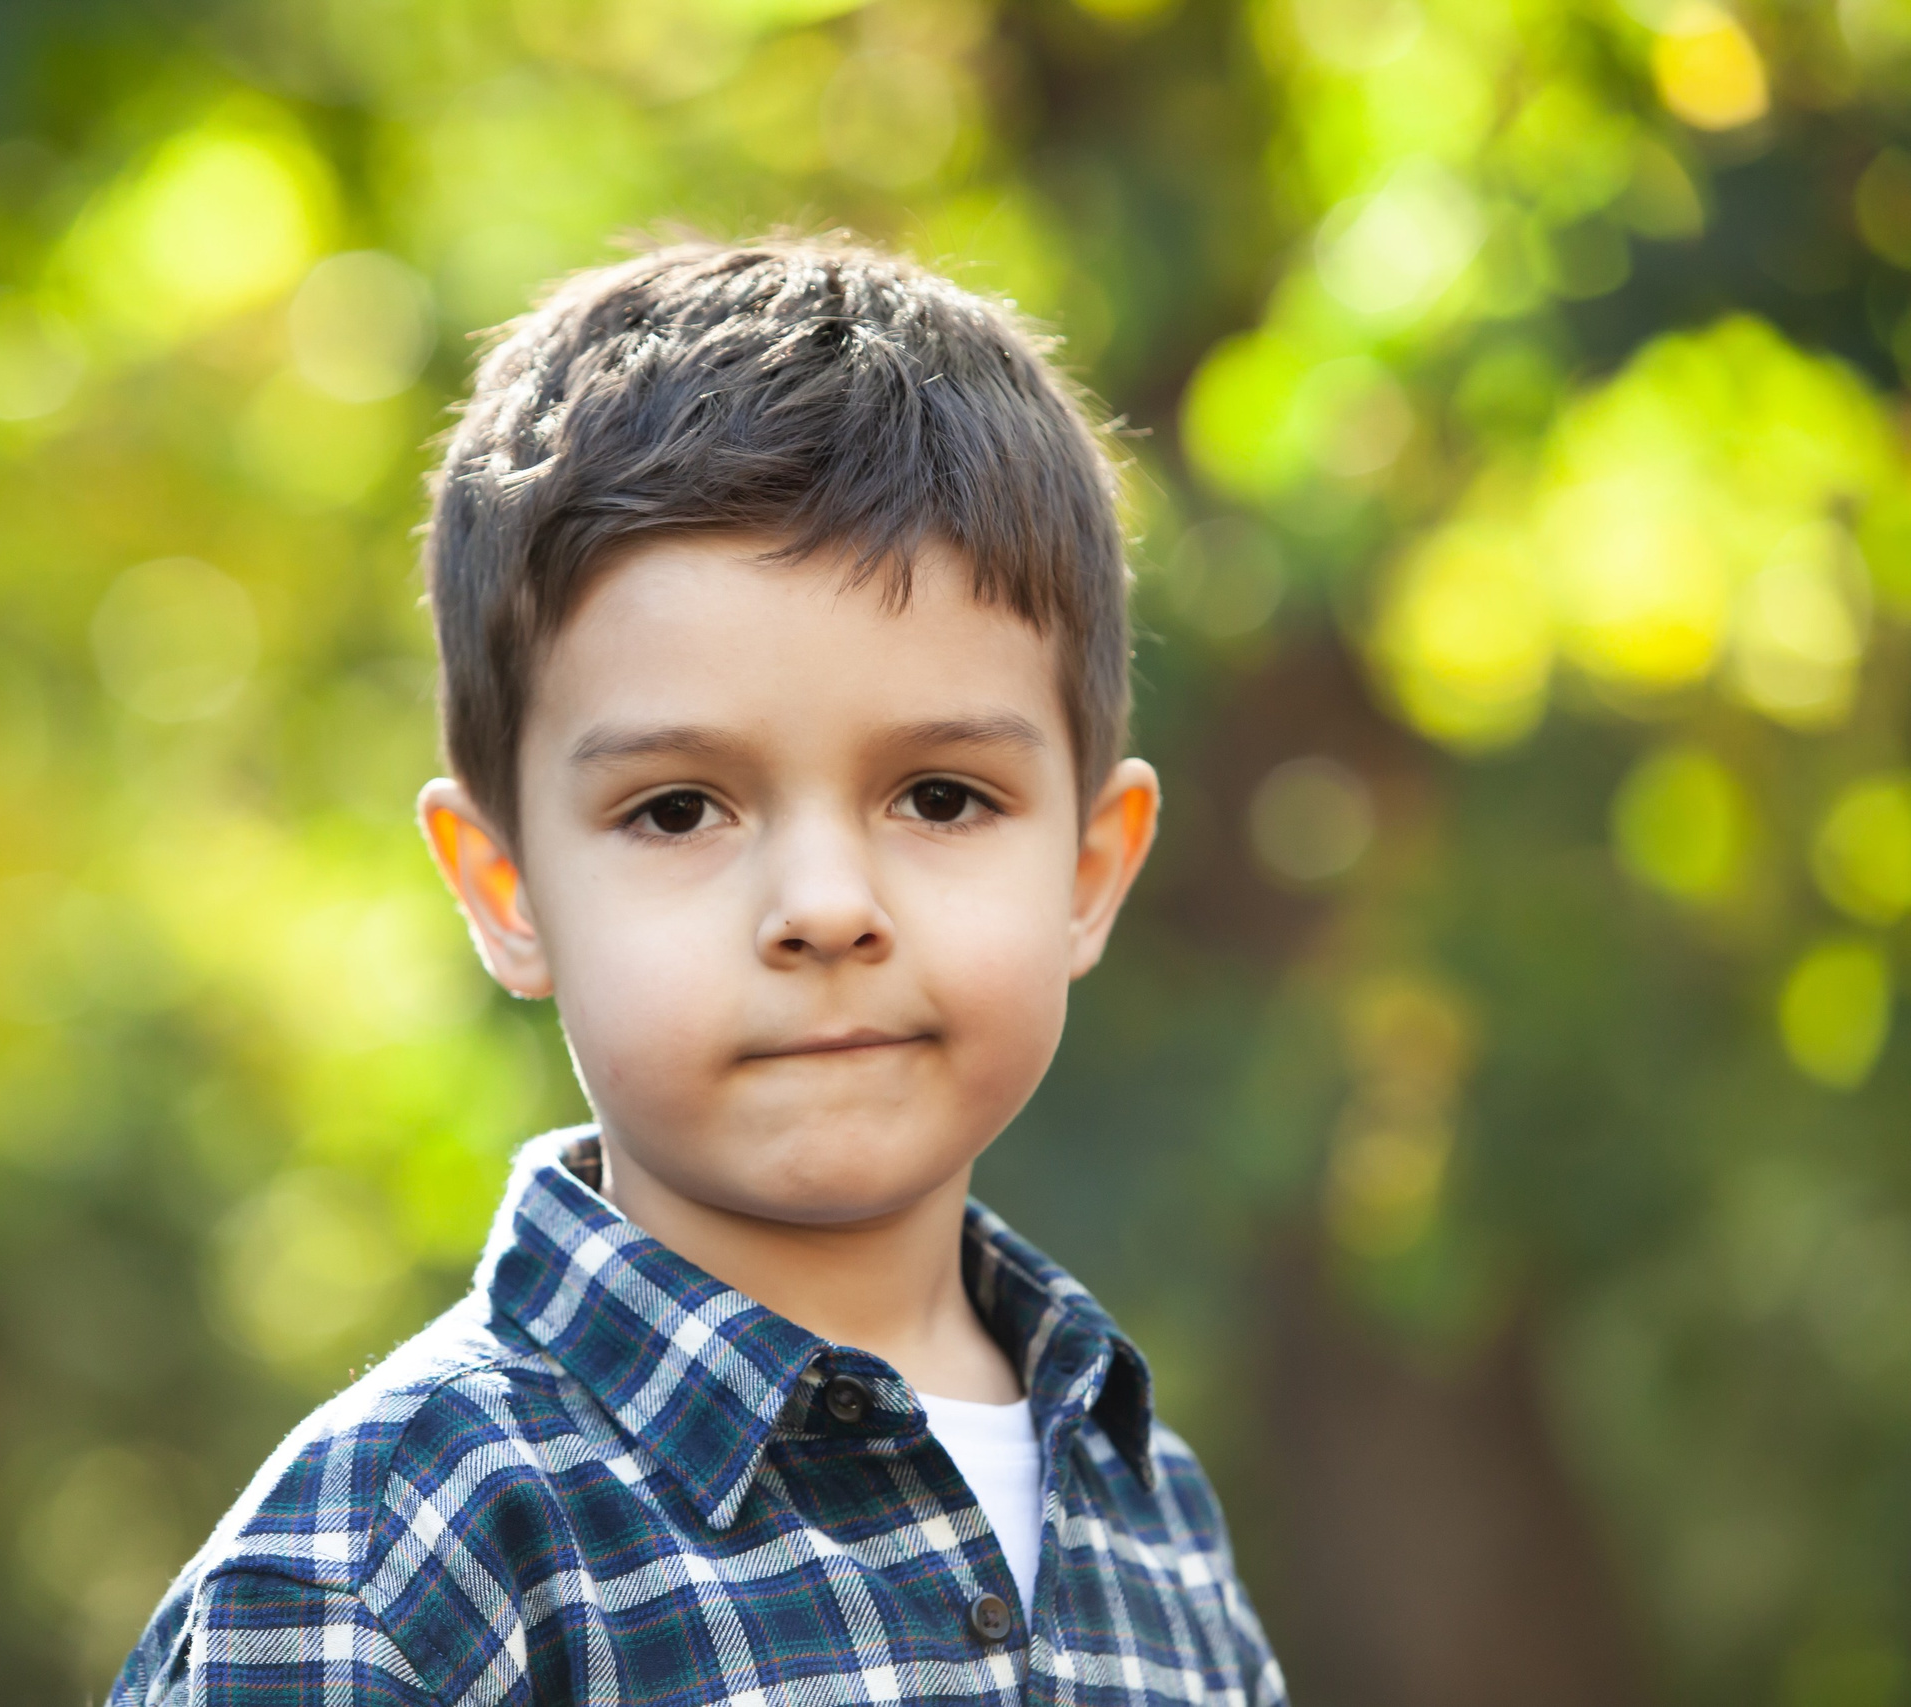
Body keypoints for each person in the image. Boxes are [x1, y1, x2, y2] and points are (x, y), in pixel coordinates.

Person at [112, 237, 1285, 1706]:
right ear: (509, 888)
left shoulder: (1147, 1510)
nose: (825, 908)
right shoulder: (394, 1564)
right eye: (678, 810)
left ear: (1090, 871)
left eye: (939, 797)